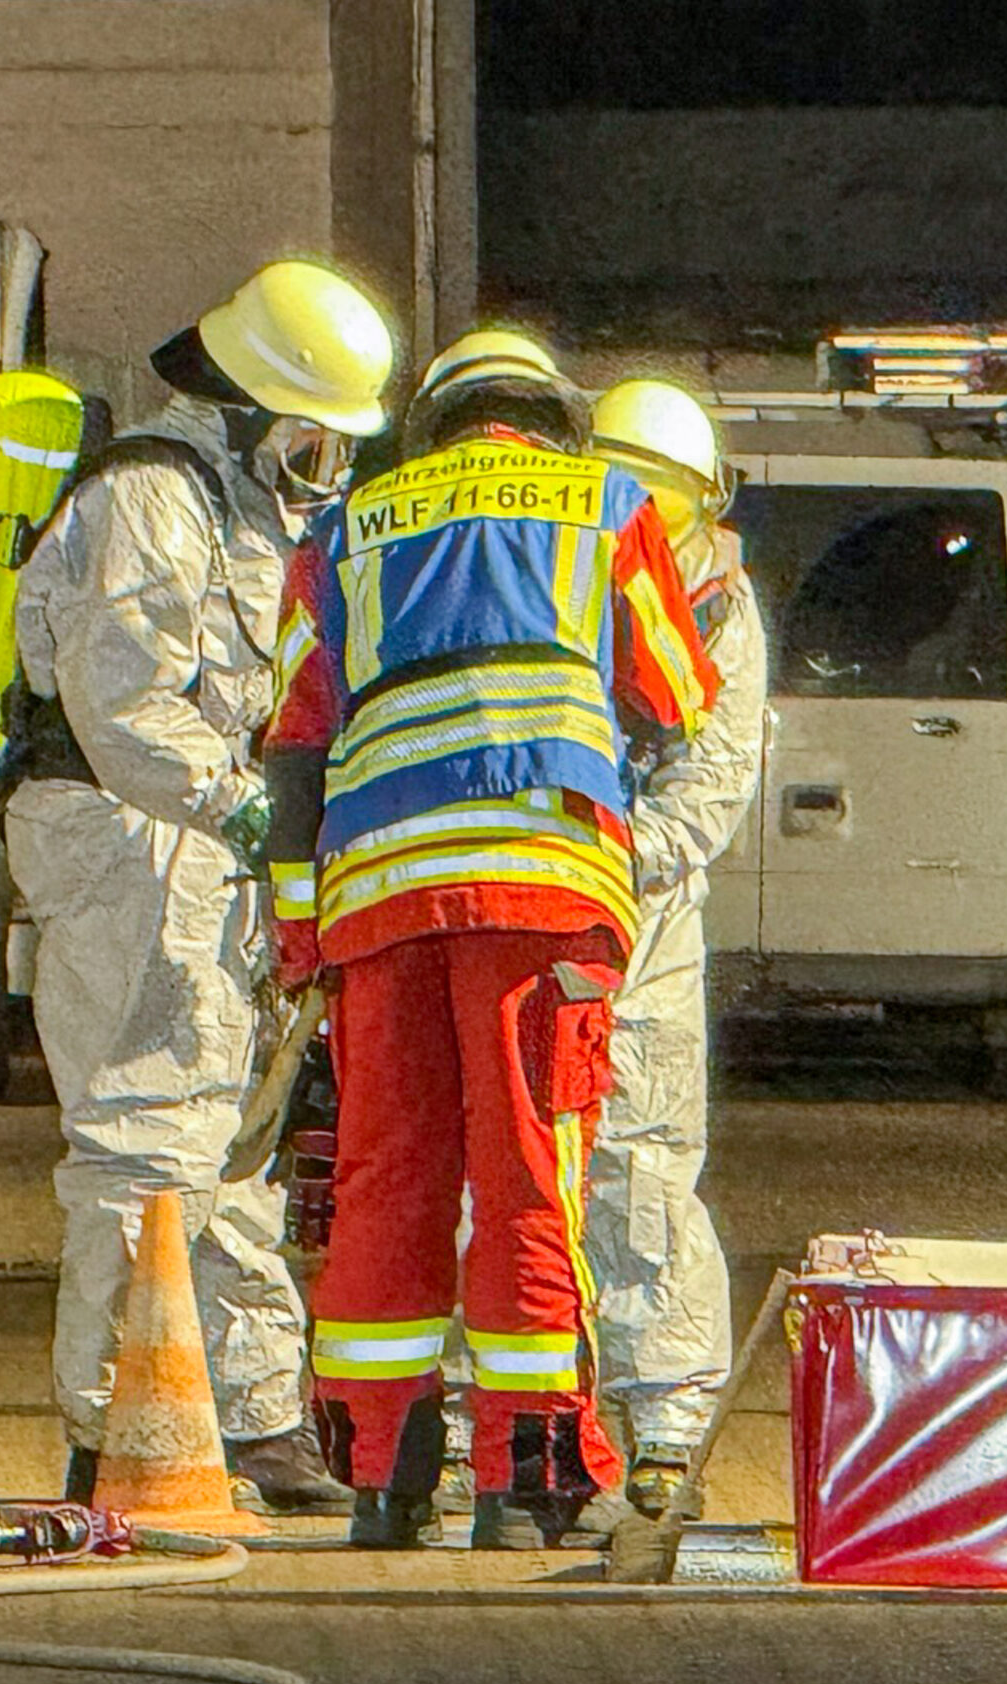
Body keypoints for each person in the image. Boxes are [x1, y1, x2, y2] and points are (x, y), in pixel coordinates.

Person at [262, 330, 721, 1549]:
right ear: (556, 416)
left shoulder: (346, 527)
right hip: (539, 885)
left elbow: (297, 737)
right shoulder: (610, 502)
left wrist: (298, 928)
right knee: (528, 1177)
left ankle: (383, 1481)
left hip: (374, 887)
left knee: (383, 1175)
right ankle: (524, 1484)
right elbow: (673, 689)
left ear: (434, 422)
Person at [8, 258, 395, 1515]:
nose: (322, 469)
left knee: (230, 1149)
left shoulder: (231, 507)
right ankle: (113, 1426)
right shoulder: (147, 501)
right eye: (314, 439)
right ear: (250, 405)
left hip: (192, 851)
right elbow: (122, 705)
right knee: (137, 1147)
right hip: (126, 842)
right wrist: (241, 805)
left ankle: (254, 1415)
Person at [580, 378, 767, 1517]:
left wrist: (602, 859)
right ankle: (483, 1420)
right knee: (504, 1167)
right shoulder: (545, 567)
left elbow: (709, 785)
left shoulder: (717, 607)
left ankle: (665, 1424)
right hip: (547, 889)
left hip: (634, 911)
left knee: (640, 1167)